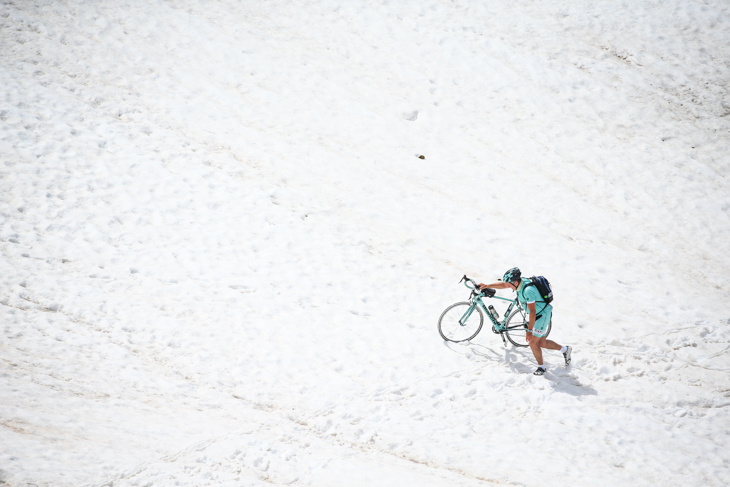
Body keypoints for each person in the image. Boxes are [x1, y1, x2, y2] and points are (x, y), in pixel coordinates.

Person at [479, 267, 572, 376]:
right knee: (541, 343)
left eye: (510, 284)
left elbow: (532, 312)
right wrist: (487, 286)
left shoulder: (528, 291)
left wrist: (529, 331)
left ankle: (541, 367)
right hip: (537, 315)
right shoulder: (519, 283)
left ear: (516, 282)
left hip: (541, 315)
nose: (508, 286)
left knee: (532, 342)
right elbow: (504, 284)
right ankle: (565, 350)